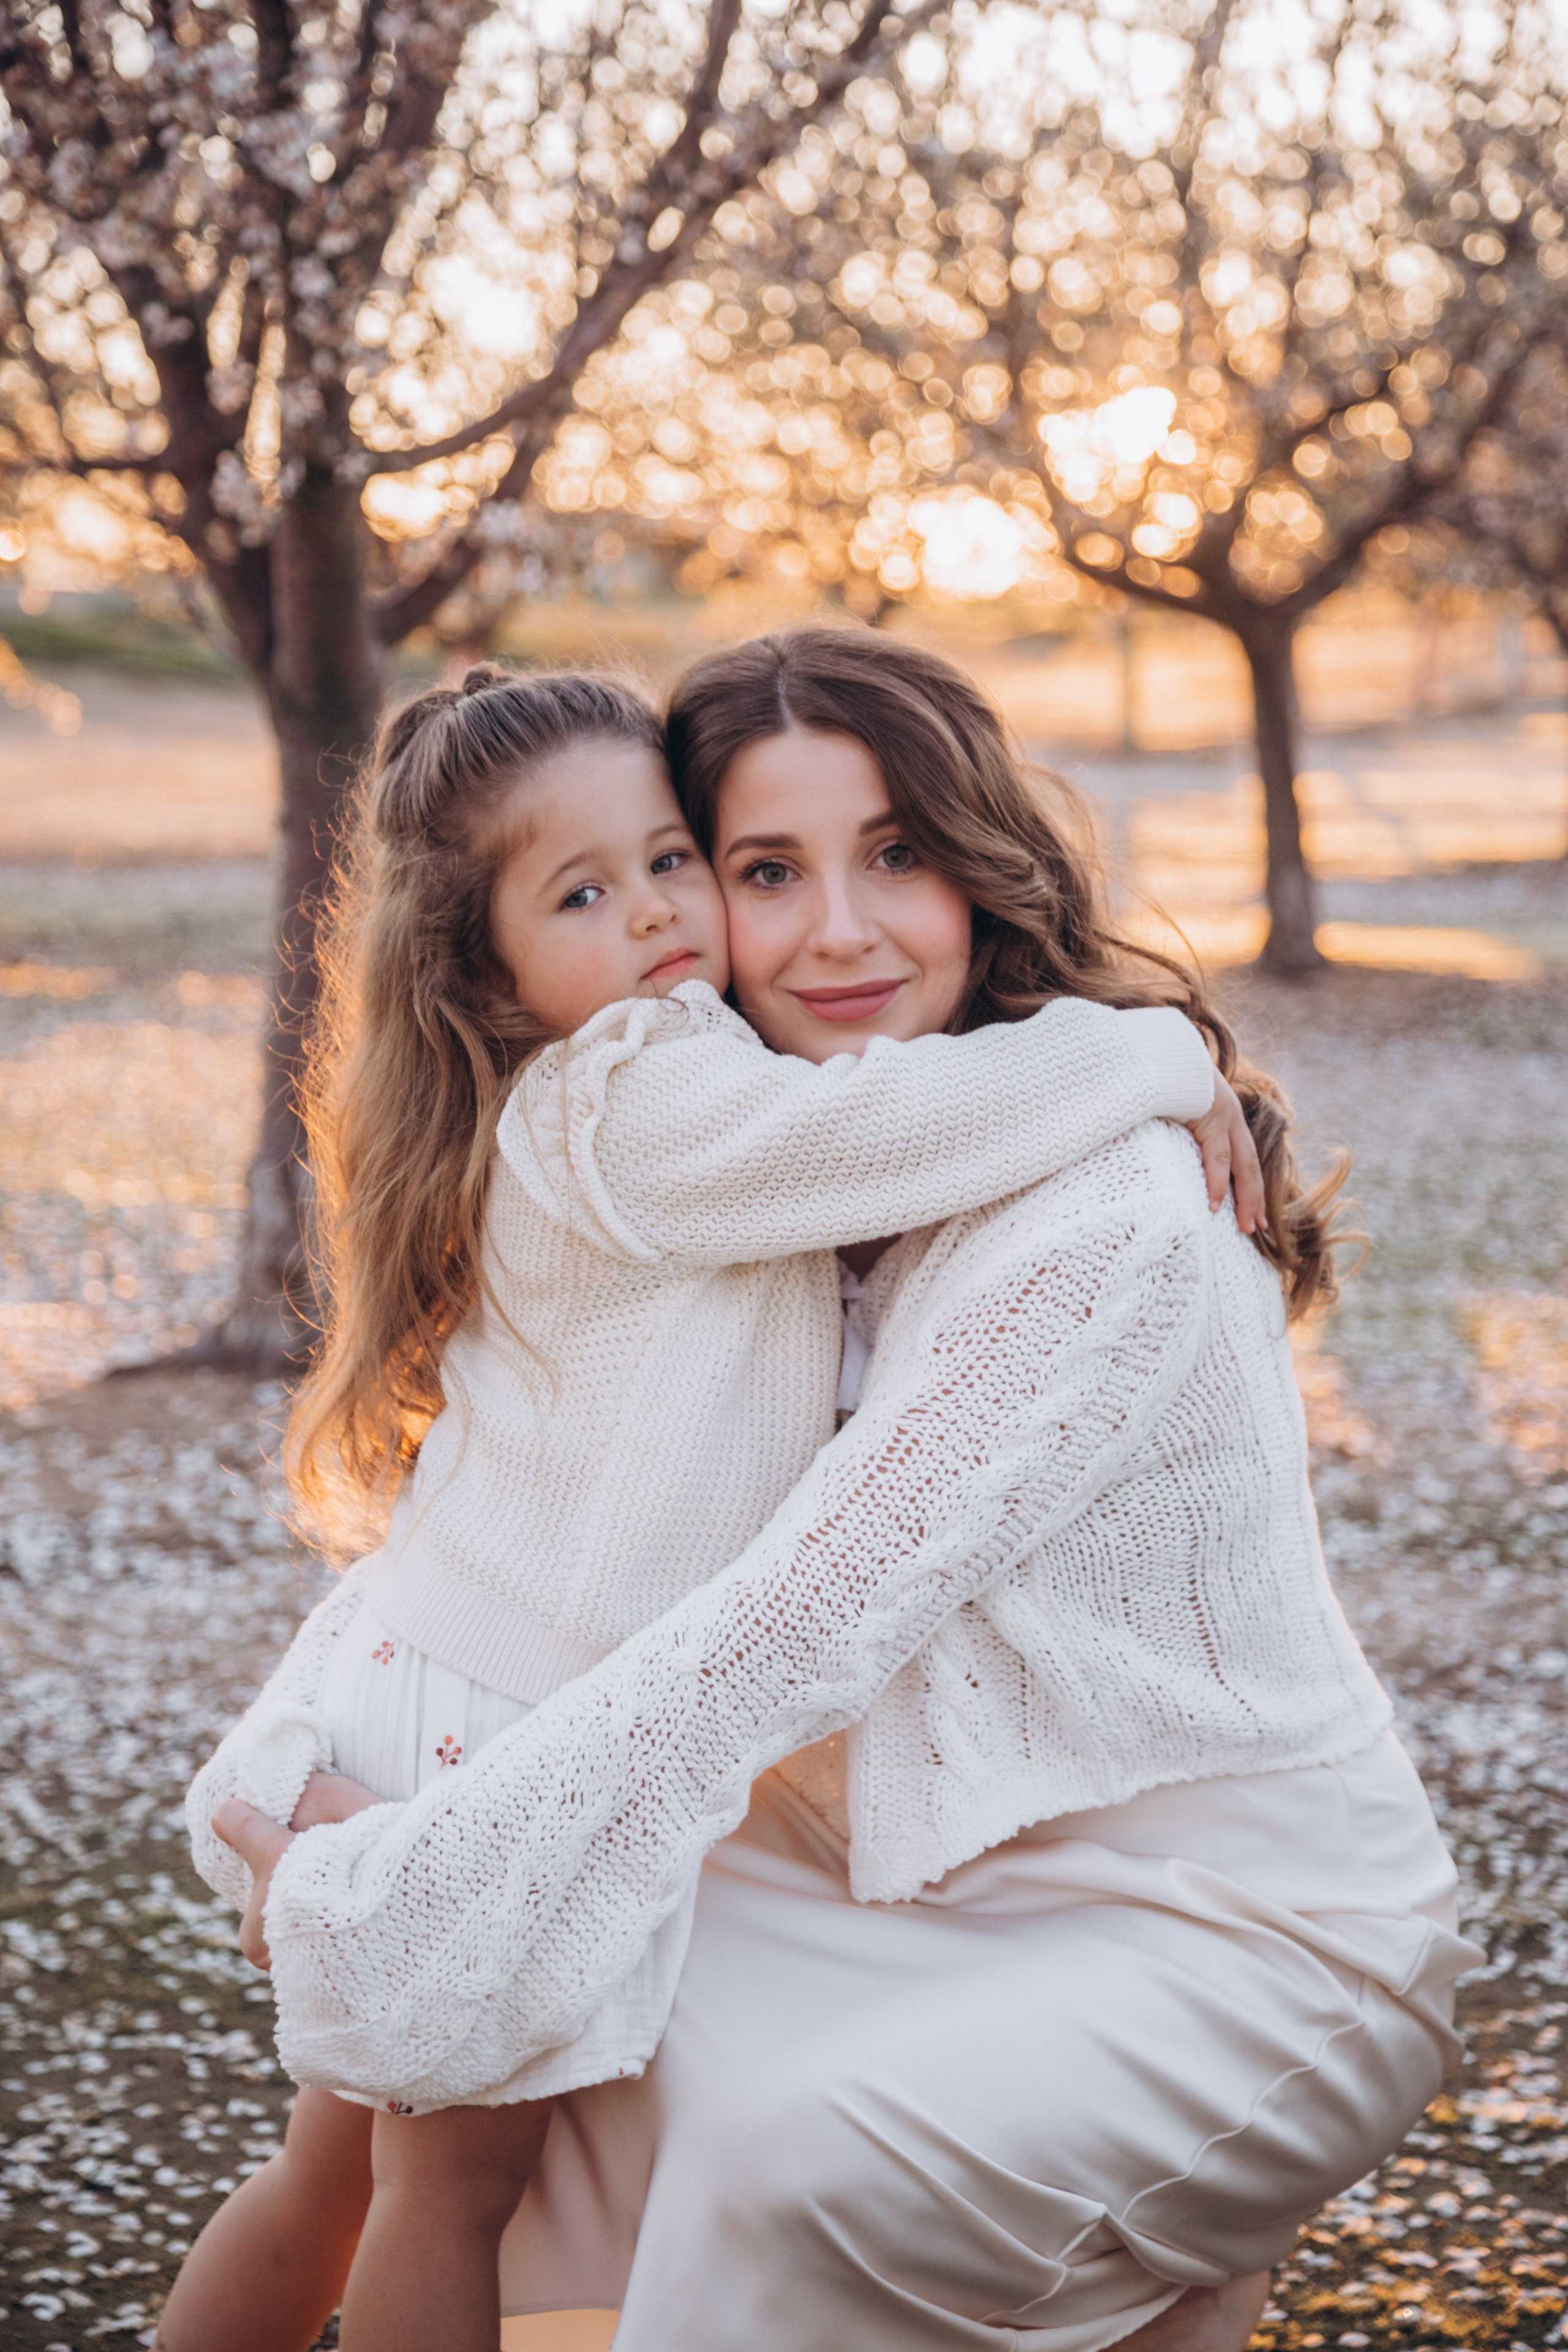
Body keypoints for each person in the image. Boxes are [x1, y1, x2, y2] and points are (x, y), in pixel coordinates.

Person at [217, 629, 1476, 2352]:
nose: (838, 931)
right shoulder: (756, 1151)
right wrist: (418, 1791)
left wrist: (436, 1869)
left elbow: (799, 1618)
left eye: (896, 853)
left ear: (982, 858)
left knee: (736, 2137)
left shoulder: (1103, 1211)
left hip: (1218, 1901)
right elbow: (539, 1496)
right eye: (761, 870)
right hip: (908, 1863)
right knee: (558, 2041)